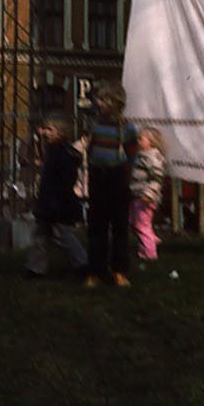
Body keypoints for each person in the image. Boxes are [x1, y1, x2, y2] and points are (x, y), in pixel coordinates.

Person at [83, 81, 137, 288]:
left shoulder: (126, 127)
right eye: (99, 99)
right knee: (97, 227)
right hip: (98, 177)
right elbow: (90, 149)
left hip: (118, 178)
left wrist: (126, 176)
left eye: (104, 99)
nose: (99, 102)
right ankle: (95, 270)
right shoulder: (95, 124)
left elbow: (132, 154)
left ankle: (119, 270)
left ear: (115, 103)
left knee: (120, 227)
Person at [23, 116, 87, 277]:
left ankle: (81, 263)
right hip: (49, 200)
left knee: (61, 235)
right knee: (41, 236)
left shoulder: (61, 153)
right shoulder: (53, 151)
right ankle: (35, 268)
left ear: (60, 133)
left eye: (50, 129)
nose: (45, 133)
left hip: (57, 201)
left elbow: (64, 179)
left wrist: (54, 199)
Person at [129, 126, 166, 263]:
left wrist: (149, 193)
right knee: (134, 223)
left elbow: (157, 178)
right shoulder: (142, 155)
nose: (138, 141)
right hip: (137, 195)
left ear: (151, 141)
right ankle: (150, 240)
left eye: (141, 139)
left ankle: (149, 255)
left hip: (145, 198)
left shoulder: (152, 157)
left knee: (141, 226)